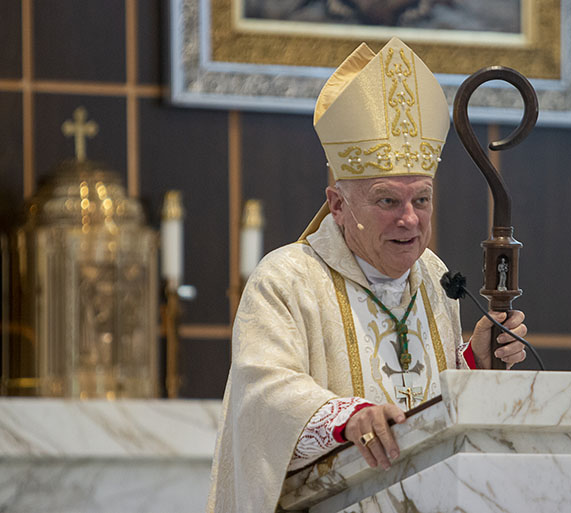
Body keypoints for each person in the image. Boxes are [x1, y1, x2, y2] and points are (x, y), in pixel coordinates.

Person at [207, 37, 527, 513]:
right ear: (338, 205)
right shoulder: (288, 279)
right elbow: (264, 393)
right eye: (387, 201)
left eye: (421, 199)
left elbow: (426, 398)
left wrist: (473, 361)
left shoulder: (433, 277)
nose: (410, 220)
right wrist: (348, 419)